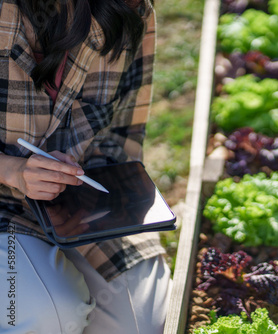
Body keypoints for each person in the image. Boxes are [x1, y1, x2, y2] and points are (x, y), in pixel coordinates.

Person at [0, 0, 170, 333]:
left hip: (75, 206)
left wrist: (95, 192)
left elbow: (122, 134)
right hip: (4, 201)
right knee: (50, 314)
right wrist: (12, 171)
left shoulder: (131, 10)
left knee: (138, 324)